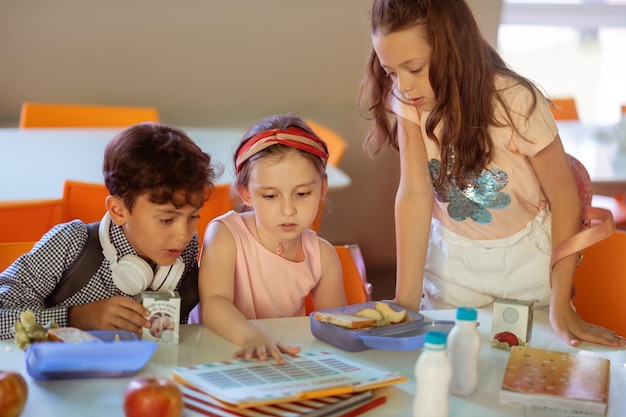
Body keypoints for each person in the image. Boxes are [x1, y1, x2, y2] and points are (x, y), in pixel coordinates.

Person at [358, 0, 625, 347]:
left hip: (528, 263)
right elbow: (414, 193)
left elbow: (564, 200)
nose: (404, 86)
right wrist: (405, 304)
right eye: (392, 71)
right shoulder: (408, 102)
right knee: (452, 369)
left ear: (454, 48)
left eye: (415, 67)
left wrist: (561, 305)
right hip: (453, 266)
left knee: (529, 370)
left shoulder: (515, 101)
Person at [0, 123, 217, 339]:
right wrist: (76, 317)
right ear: (118, 210)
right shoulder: (72, 243)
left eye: (193, 217)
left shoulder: (184, 251)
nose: (183, 235)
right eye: (166, 219)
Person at [193, 113, 347, 363]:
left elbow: (336, 326)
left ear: (323, 188)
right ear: (245, 193)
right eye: (270, 196)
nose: (288, 210)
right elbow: (214, 304)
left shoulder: (323, 256)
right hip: (221, 356)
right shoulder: (224, 235)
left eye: (302, 193)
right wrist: (252, 337)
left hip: (281, 361)